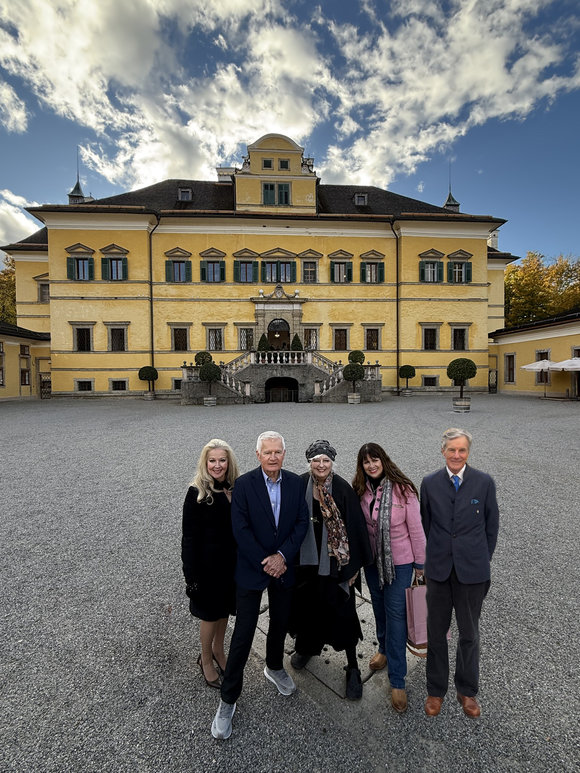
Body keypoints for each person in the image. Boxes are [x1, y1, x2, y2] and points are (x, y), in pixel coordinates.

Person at [211, 431, 309, 740]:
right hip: (253, 568)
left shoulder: (296, 483)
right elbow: (239, 529)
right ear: (257, 455)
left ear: (284, 453)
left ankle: (273, 666)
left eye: (278, 452)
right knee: (243, 634)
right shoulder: (244, 485)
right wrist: (266, 560)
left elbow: (301, 523)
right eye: (267, 452)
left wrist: (282, 557)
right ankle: (228, 699)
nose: (273, 457)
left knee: (280, 623)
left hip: (283, 567)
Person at [420, 428, 499, 718]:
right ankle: (435, 690)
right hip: (439, 570)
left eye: (461, 450)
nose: (456, 455)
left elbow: (492, 527)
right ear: (443, 451)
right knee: (436, 633)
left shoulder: (484, 482)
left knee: (469, 633)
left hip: (472, 572)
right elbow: (425, 526)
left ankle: (467, 690)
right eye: (451, 450)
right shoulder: (429, 483)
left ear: (468, 452)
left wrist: (480, 559)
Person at [290, 440, 372, 701]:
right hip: (305, 565)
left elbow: (357, 529)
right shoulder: (299, 484)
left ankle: (353, 667)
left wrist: (352, 568)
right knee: (306, 610)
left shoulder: (342, 489)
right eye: (316, 460)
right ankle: (306, 647)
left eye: (326, 460)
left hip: (335, 566)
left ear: (332, 463)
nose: (321, 465)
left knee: (343, 614)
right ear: (310, 463)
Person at [352, 443, 426, 713]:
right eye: (366, 462)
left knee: (396, 617)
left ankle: (397, 680)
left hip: (400, 563)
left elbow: (416, 529)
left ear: (384, 460)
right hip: (373, 563)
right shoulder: (359, 489)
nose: (371, 466)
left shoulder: (402, 489)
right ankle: (383, 649)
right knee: (380, 609)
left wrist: (421, 564)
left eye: (375, 460)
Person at [181, 439, 240, 689]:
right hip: (207, 567)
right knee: (209, 615)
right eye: (212, 460)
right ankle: (205, 658)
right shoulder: (197, 492)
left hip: (231, 564)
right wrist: (191, 576)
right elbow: (189, 537)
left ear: (229, 462)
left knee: (224, 610)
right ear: (205, 463)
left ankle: (218, 649)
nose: (217, 465)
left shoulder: (234, 487)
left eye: (222, 460)